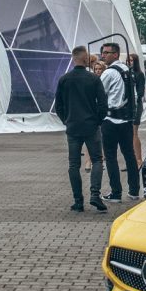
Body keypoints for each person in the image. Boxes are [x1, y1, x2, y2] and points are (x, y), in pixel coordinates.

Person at [54, 46, 108, 213]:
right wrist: (98, 120)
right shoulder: (93, 79)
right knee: (97, 160)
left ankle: (78, 201)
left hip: (73, 127)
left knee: (74, 164)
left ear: (73, 59)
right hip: (91, 126)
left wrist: (67, 120)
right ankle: (95, 194)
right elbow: (103, 104)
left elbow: (59, 106)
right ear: (86, 59)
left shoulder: (64, 80)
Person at [98, 42, 141, 202]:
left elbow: (100, 93)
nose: (103, 55)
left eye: (107, 53)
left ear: (115, 54)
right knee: (129, 154)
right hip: (126, 120)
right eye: (103, 52)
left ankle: (116, 193)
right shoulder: (126, 70)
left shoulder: (109, 73)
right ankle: (134, 191)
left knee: (110, 156)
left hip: (111, 119)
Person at [127, 54, 146, 166]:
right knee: (128, 134)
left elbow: (140, 92)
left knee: (134, 133)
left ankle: (139, 159)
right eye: (127, 60)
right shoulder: (125, 73)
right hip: (127, 106)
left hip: (135, 105)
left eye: (131, 60)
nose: (129, 62)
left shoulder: (139, 74)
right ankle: (132, 160)